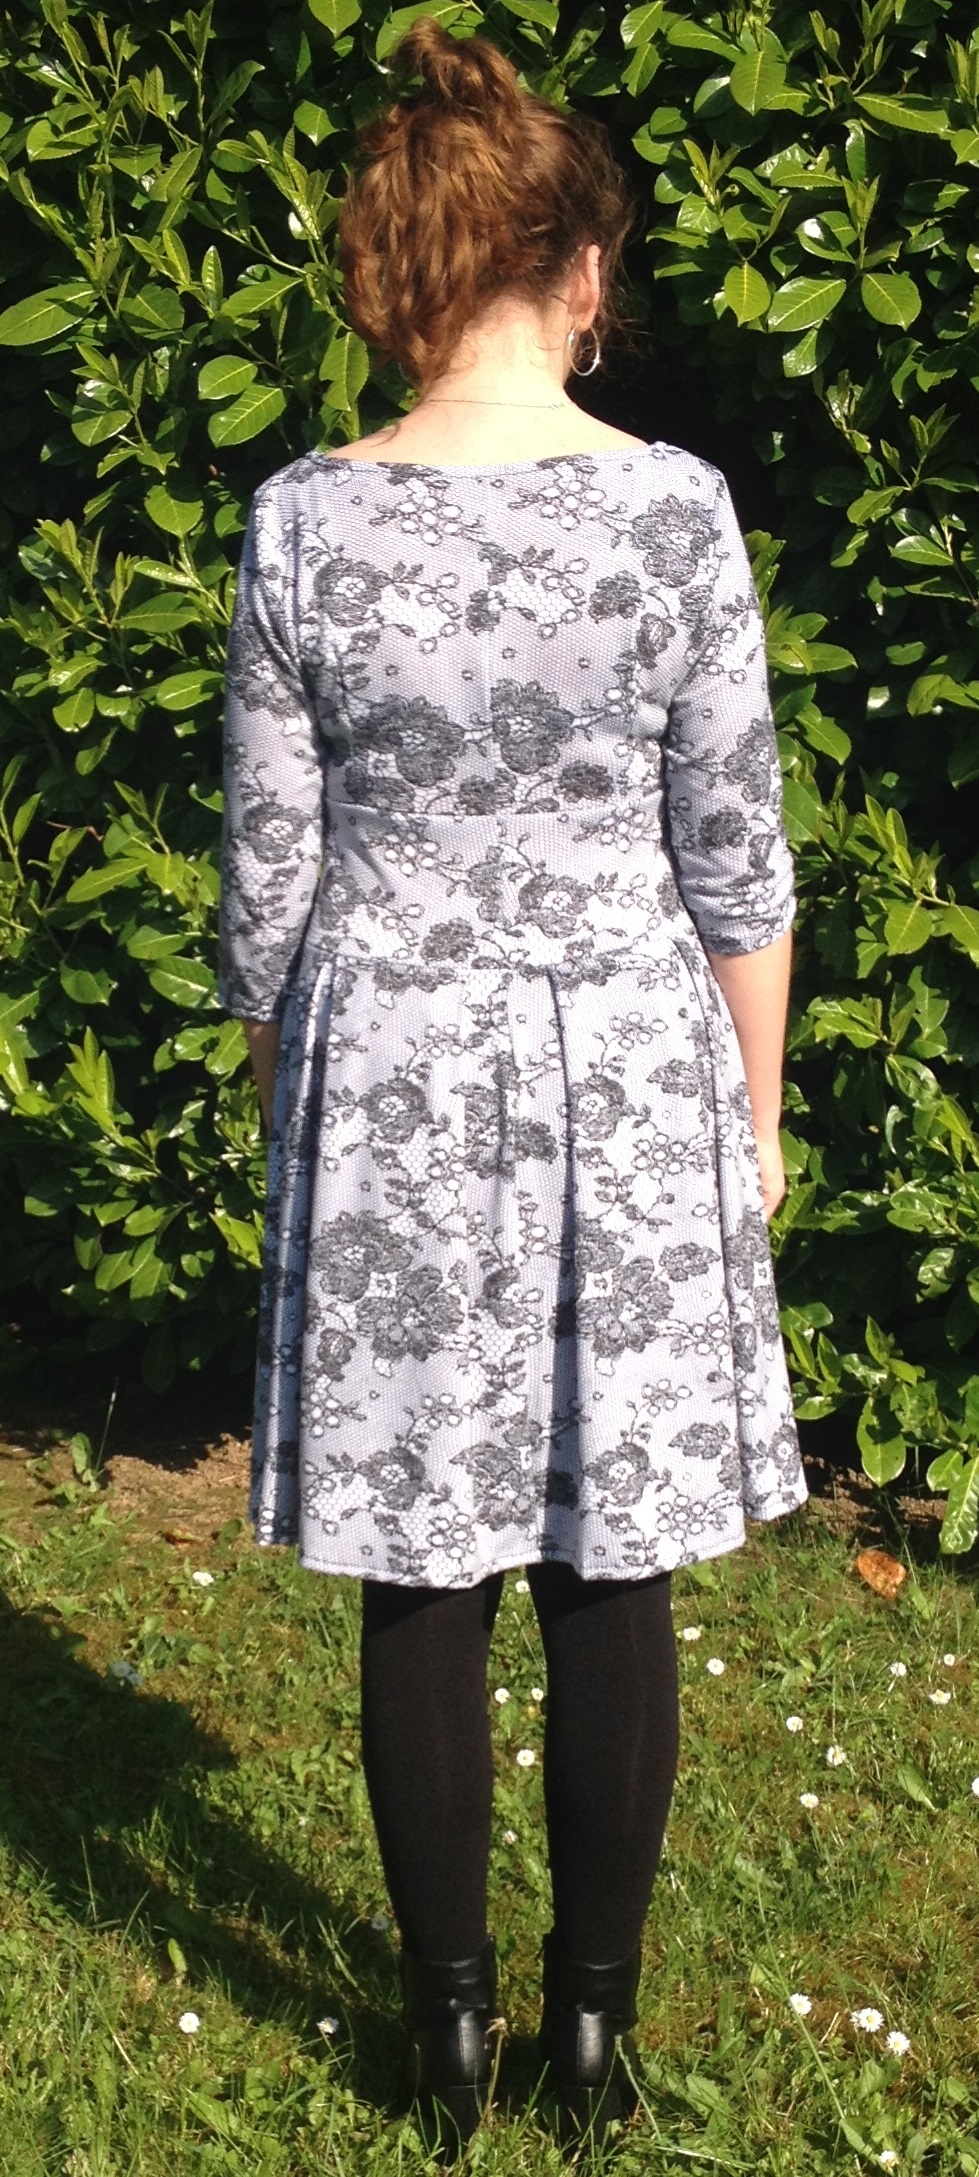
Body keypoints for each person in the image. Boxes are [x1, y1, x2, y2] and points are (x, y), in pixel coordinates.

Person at [218, 15, 808, 2152]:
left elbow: (266, 885)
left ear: (401, 271)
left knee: (424, 1561)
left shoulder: (303, 524)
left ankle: (444, 2039)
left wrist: (296, 1096)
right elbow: (736, 858)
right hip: (625, 1067)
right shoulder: (671, 514)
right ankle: (591, 2036)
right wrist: (755, 1120)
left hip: (386, 1066)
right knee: (607, 1556)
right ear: (577, 270)